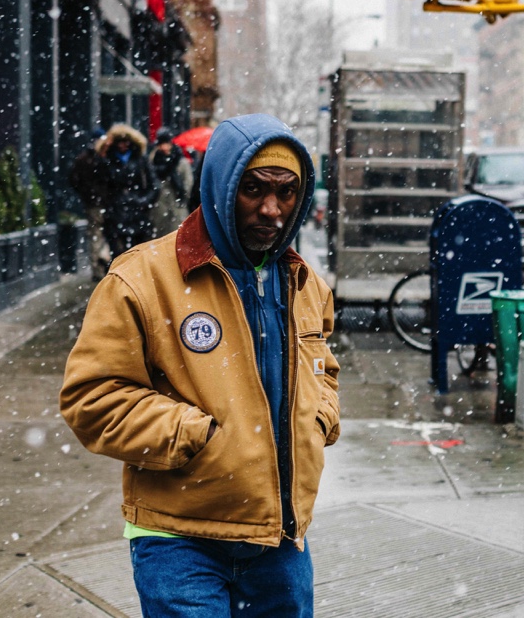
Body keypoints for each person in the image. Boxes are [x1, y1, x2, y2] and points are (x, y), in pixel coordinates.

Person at [59, 113, 340, 617]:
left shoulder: (305, 284)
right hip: (177, 535)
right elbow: (92, 398)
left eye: (287, 192)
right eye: (253, 189)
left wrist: (318, 420)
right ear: (221, 184)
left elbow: (323, 369)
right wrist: (197, 435)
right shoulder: (140, 279)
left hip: (279, 535)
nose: (272, 209)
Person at [100, 124, 158, 256]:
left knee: (139, 253)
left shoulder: (140, 159)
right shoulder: (108, 159)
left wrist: (144, 202)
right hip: (116, 214)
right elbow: (99, 181)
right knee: (118, 254)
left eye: (125, 142)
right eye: (119, 142)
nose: (122, 145)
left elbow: (154, 185)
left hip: (138, 212)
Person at [67, 127, 111, 280]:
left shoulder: (84, 159)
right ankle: (100, 265)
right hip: (100, 203)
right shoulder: (96, 159)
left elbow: (74, 180)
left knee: (96, 235)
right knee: (99, 234)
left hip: (96, 203)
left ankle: (99, 267)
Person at [148, 126, 193, 235]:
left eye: (167, 143)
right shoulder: (153, 161)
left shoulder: (180, 162)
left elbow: (188, 183)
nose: (165, 147)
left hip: (177, 208)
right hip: (159, 209)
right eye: (162, 144)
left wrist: (182, 197)